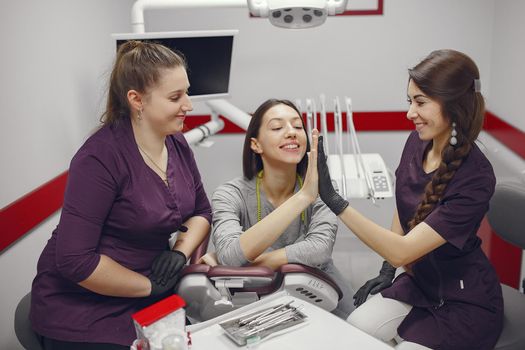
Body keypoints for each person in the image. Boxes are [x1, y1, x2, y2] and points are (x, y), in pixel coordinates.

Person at [311, 49, 503, 349]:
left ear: (454, 105)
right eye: (409, 101)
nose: (409, 113)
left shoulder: (475, 177)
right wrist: (388, 269)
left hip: (464, 302)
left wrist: (335, 201)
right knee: (355, 330)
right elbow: (405, 208)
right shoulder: (417, 142)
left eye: (420, 102)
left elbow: (404, 251)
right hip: (420, 283)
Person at [30, 41, 212, 349]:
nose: (189, 105)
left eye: (187, 92)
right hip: (83, 309)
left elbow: (202, 212)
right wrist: (149, 287)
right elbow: (76, 261)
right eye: (175, 97)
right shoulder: (100, 159)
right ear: (137, 99)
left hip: (151, 294)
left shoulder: (176, 144)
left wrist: (179, 252)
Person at [210, 99, 354, 319]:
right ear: (255, 144)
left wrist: (243, 264)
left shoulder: (323, 188)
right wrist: (303, 197)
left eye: (297, 126)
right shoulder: (230, 194)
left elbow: (319, 249)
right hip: (257, 296)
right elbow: (231, 255)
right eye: (277, 127)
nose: (291, 133)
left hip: (319, 288)